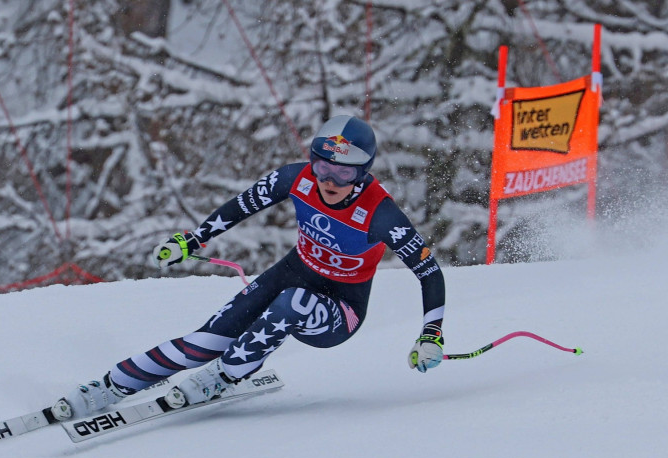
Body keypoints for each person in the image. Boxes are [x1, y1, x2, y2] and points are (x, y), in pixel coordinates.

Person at [50, 115, 446, 421]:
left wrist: (432, 334)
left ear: (363, 173)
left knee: (295, 302)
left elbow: (429, 272)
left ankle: (225, 375)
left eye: (343, 173)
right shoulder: (297, 178)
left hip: (342, 310)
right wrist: (194, 238)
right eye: (322, 166)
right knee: (206, 339)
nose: (329, 180)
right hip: (294, 271)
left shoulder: (380, 213)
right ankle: (110, 386)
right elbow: (243, 205)